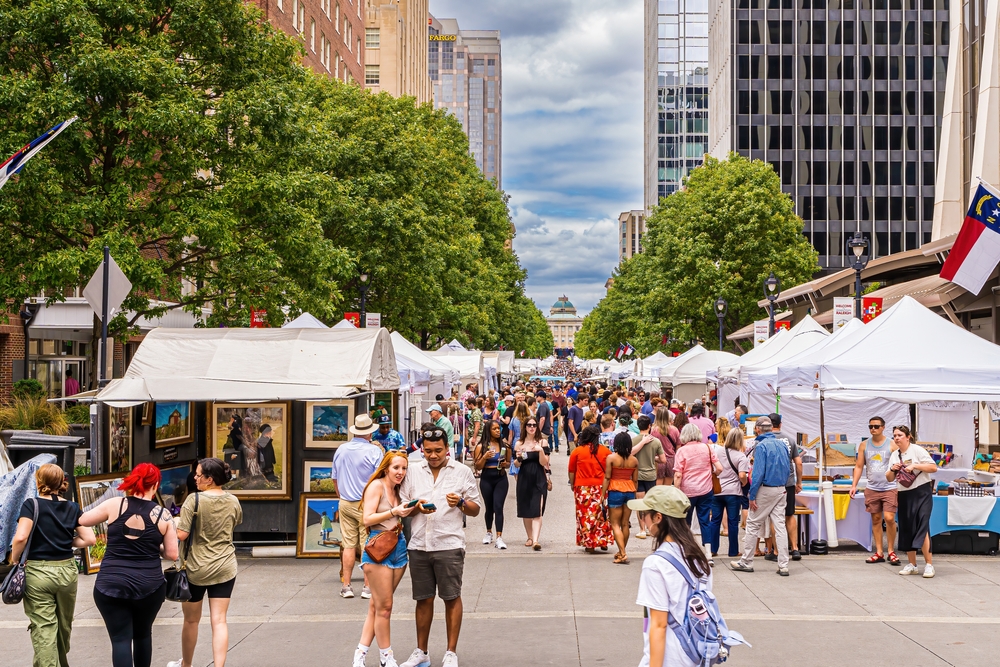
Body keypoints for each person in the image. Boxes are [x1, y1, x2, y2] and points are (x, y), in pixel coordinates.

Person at [79, 463, 179, 667]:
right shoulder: (163, 515)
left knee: (120, 639)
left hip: (110, 584)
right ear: (156, 484)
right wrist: (154, 545)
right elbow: (172, 554)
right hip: (149, 586)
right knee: (143, 635)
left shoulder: (115, 504)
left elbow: (83, 519)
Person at [398, 424, 481, 667]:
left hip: (449, 544)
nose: (433, 455)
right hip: (419, 545)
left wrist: (461, 503)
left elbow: (476, 510)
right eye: (428, 450)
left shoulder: (462, 472)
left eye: (438, 450)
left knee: (451, 597)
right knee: (423, 599)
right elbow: (403, 506)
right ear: (422, 450)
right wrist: (417, 507)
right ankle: (421, 651)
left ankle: (451, 652)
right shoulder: (412, 472)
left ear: (447, 449)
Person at [9, 463, 96, 667]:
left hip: (38, 572)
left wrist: (15, 558)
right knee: (63, 624)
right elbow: (90, 539)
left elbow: (21, 537)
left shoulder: (32, 505)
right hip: (66, 571)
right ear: (61, 483)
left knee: (44, 626)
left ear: (39, 482)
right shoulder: (72, 507)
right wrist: (68, 541)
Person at [168, 459, 243, 667]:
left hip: (195, 568)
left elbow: (182, 535)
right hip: (225, 566)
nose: (195, 478)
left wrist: (172, 525)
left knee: (191, 620)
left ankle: (186, 664)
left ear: (210, 480)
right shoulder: (233, 500)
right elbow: (235, 522)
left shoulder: (194, 500)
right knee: (219, 620)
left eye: (199, 475)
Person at [628, 485, 713, 667]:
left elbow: (659, 625)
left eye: (645, 514)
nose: (643, 519)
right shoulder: (699, 558)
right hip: (696, 653)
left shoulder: (655, 564)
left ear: (658, 517)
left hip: (669, 656)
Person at [354, 451, 420, 667]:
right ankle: (386, 658)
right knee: (385, 607)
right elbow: (367, 518)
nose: (400, 472)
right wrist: (394, 511)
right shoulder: (377, 486)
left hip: (398, 546)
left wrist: (416, 508)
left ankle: (360, 655)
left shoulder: (399, 489)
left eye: (403, 468)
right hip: (378, 548)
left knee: (377, 605)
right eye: (396, 468)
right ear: (385, 468)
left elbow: (400, 513)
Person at [730, 417, 792, 576]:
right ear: (771, 429)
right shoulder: (782, 445)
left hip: (765, 489)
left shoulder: (761, 446)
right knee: (780, 526)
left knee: (752, 524)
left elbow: (757, 474)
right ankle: (783, 564)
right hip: (781, 488)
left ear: (757, 429)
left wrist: (752, 495)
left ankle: (746, 561)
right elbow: (788, 469)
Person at [331, 414, 384, 599]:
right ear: (369, 432)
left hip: (345, 502)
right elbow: (380, 479)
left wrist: (342, 497)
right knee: (367, 544)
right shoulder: (374, 451)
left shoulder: (342, 449)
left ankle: (346, 586)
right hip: (366, 503)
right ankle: (367, 587)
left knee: (348, 545)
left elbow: (335, 479)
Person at [887, 425, 937, 578]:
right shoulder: (894, 455)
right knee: (907, 527)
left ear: (908, 437)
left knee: (922, 525)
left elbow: (933, 467)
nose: (896, 438)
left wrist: (914, 465)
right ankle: (912, 564)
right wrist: (893, 470)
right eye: (895, 435)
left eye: (900, 435)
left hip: (921, 491)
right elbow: (889, 478)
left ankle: (929, 565)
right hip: (904, 493)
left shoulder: (917, 450)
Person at [850, 416, 900, 565]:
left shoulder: (891, 445)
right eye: (870, 426)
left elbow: (899, 465)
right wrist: (854, 485)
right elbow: (859, 466)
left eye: (876, 426)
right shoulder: (864, 445)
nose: (873, 429)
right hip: (872, 487)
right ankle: (879, 552)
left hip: (889, 487)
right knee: (876, 519)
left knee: (890, 518)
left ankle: (891, 550)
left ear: (883, 427)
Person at [672, 423, 721, 551]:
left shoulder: (681, 451)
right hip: (705, 490)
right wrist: (711, 474)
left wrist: (675, 490)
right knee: (705, 521)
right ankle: (709, 553)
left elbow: (678, 474)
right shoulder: (708, 448)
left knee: (685, 522)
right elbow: (720, 468)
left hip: (687, 492)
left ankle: (687, 549)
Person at [568, 425, 613, 553]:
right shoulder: (605, 451)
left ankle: (589, 543)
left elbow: (571, 471)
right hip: (601, 486)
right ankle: (602, 540)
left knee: (585, 516)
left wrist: (573, 484)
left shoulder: (577, 451)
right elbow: (610, 469)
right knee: (602, 514)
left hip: (582, 487)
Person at [707, 429, 749, 558]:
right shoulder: (741, 456)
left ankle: (713, 549)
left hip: (717, 490)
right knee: (732, 522)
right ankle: (733, 551)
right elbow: (742, 475)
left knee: (715, 520)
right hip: (733, 492)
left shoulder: (717, 452)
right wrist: (744, 482)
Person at [768, 413, 803, 561]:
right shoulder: (790, 439)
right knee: (789, 515)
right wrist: (798, 482)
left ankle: (776, 551)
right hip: (788, 482)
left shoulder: (766, 440)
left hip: (771, 483)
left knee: (774, 518)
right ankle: (794, 548)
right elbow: (798, 462)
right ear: (780, 424)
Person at [472, 420, 511, 550]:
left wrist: (506, 464)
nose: (497, 431)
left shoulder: (504, 445)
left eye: (498, 428)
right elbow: (477, 466)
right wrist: (484, 457)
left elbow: (509, 462)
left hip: (500, 477)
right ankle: (489, 532)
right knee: (489, 507)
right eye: (494, 429)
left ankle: (499, 537)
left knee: (498, 506)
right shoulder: (481, 446)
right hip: (487, 477)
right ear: (488, 430)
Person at [515, 416, 551, 549]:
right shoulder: (519, 444)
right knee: (526, 509)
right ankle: (529, 537)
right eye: (529, 425)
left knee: (537, 509)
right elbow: (516, 464)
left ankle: (535, 540)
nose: (531, 427)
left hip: (539, 478)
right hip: (524, 478)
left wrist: (540, 450)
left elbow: (544, 462)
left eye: (534, 425)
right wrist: (518, 458)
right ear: (525, 427)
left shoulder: (543, 443)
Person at [603, 432, 639, 564]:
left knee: (615, 524)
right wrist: (634, 494)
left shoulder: (611, 458)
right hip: (629, 490)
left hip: (615, 489)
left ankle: (623, 553)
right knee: (625, 523)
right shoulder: (634, 460)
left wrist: (602, 494)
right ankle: (621, 550)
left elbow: (607, 477)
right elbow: (635, 480)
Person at [630, 415, 666, 540]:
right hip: (651, 475)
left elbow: (630, 454)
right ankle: (651, 528)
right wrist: (653, 458)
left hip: (637, 475)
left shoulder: (634, 440)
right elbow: (663, 460)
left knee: (640, 503)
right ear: (649, 426)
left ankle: (642, 530)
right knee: (650, 503)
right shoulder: (656, 441)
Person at [651, 407, 678, 486]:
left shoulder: (654, 430)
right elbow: (678, 447)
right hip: (671, 459)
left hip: (658, 459)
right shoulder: (674, 430)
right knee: (668, 487)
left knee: (658, 487)